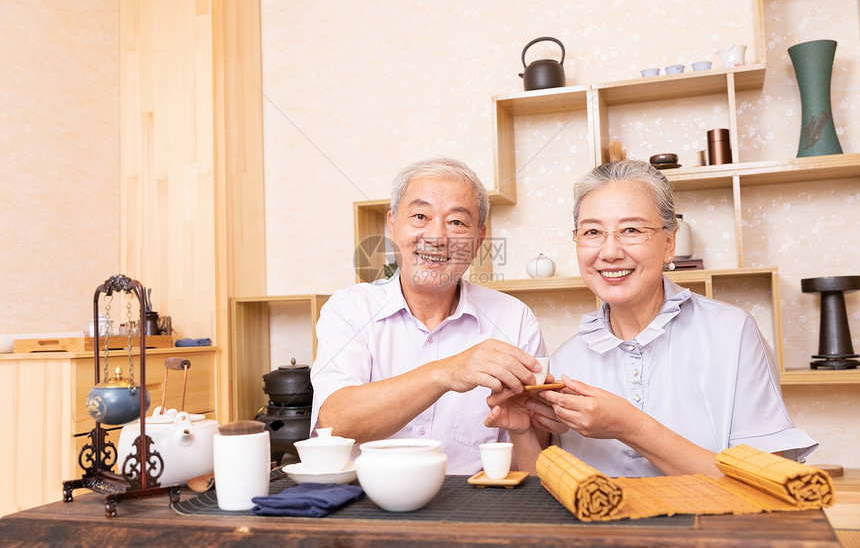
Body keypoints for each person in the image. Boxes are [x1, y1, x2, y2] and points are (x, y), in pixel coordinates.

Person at [485, 159, 817, 478]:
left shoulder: (732, 333)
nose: (610, 251)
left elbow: (768, 481)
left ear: (669, 245)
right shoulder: (565, 361)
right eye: (591, 232)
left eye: (631, 229)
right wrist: (525, 433)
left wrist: (630, 426)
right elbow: (546, 487)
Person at [311, 157, 548, 475]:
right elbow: (334, 423)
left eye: (457, 223)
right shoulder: (349, 309)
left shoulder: (516, 320)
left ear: (479, 239)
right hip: (367, 505)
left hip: (475, 509)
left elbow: (534, 471)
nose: (437, 237)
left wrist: (520, 431)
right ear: (392, 225)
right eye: (420, 216)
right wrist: (447, 372)